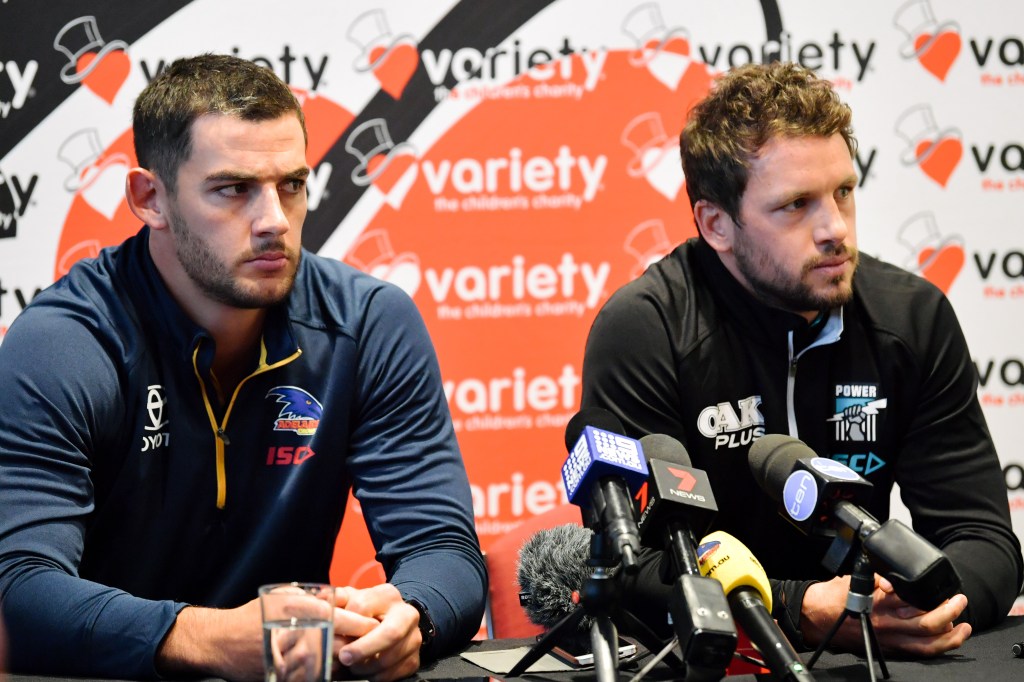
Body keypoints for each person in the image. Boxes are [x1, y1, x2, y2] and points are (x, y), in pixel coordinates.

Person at [0, 54, 486, 681]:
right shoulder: (64, 345)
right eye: (234, 189)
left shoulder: (367, 325)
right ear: (151, 198)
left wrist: (412, 614)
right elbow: (19, 593)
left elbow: (442, 550)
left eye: (292, 185)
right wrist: (206, 638)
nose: (274, 223)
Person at [580, 61, 1022, 657]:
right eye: (796, 205)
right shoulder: (647, 330)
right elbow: (632, 568)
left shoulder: (912, 320)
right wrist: (794, 610)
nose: (836, 228)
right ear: (716, 224)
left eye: (843, 191)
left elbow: (985, 539)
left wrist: (892, 606)